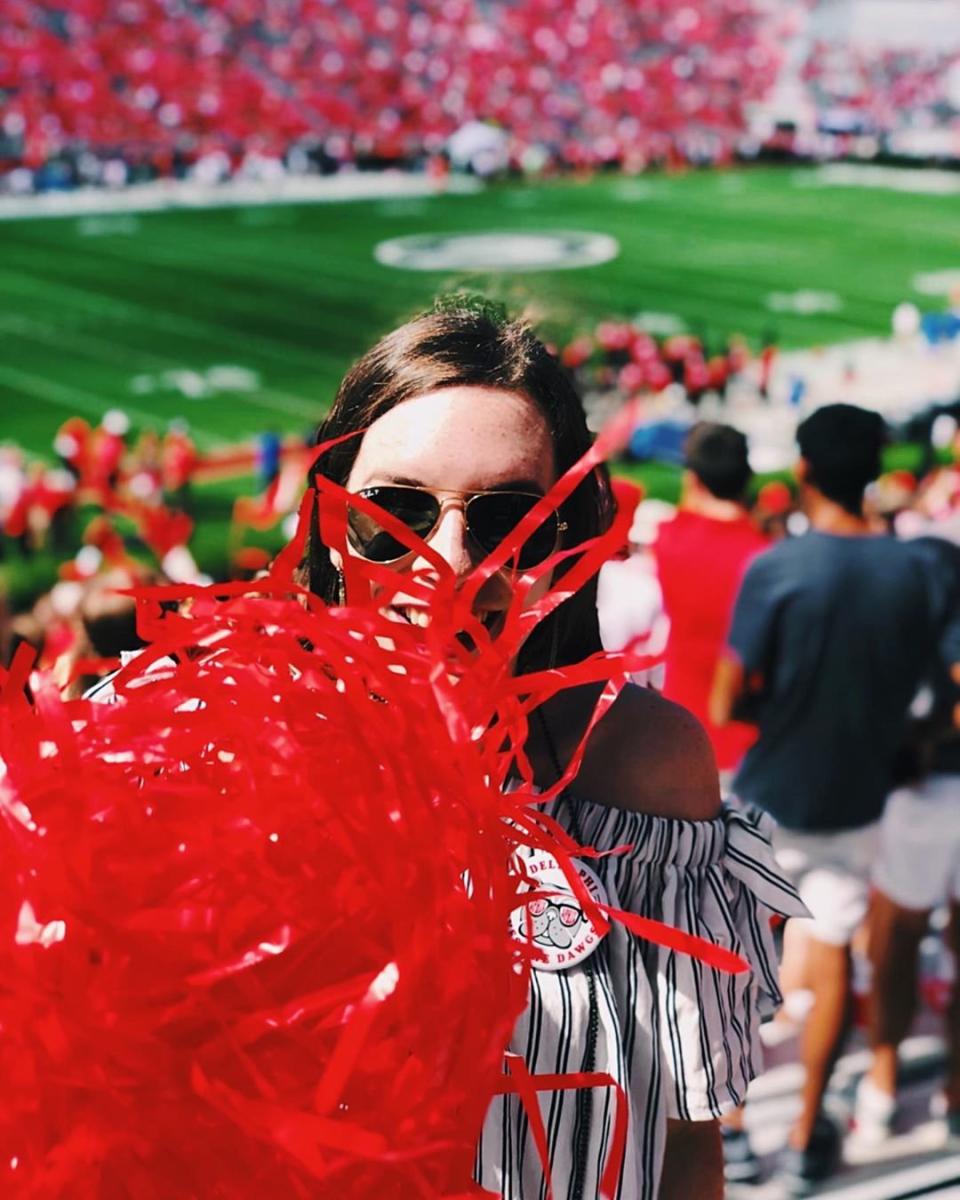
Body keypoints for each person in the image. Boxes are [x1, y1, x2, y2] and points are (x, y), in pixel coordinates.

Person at [301, 299, 804, 1200]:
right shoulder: (202, 757)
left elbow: (684, 1141)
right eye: (396, 509)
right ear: (332, 526)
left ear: (564, 543)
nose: (447, 560)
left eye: (505, 518)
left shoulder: (640, 769)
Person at [711, 403, 942, 1193]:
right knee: (836, 948)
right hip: (858, 790)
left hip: (775, 784)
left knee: (742, 953)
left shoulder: (778, 566)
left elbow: (727, 698)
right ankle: (809, 1125)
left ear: (803, 471)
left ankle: (736, 1123)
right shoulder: (917, 567)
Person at [858, 533, 960, 1142]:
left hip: (925, 795)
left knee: (897, 941)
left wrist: (918, 740)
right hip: (926, 794)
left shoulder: (915, 623)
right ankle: (949, 1085)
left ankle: (884, 1074)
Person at [653, 423, 768, 785]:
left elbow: (685, 511)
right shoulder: (765, 556)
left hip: (681, 731)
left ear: (693, 479)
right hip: (747, 738)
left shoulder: (669, 539)